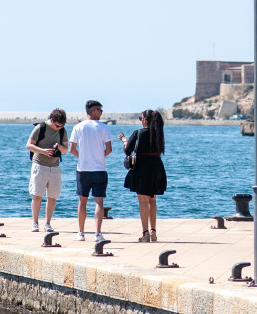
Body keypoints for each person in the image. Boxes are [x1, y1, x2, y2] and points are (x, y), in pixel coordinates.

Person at [119, 109, 167, 242]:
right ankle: (153, 232)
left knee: (143, 201)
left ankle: (145, 233)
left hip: (142, 168)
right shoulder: (159, 133)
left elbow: (128, 151)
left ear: (145, 120)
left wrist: (124, 141)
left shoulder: (138, 133)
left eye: (141, 119)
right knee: (152, 200)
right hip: (157, 167)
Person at [68, 100, 112, 243]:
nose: (101, 113)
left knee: (82, 201)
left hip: (83, 170)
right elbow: (109, 149)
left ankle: (81, 233)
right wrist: (98, 156)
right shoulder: (104, 128)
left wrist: (84, 157)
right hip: (100, 169)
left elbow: (72, 149)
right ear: (94, 111)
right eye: (100, 110)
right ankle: (98, 234)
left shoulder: (78, 127)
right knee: (99, 201)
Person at [26, 108, 68, 233]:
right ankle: (35, 222)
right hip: (39, 165)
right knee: (37, 196)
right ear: (51, 120)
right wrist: (43, 151)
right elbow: (28, 145)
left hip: (55, 167)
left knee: (52, 197)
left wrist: (59, 147)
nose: (59, 128)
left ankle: (48, 223)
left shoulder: (62, 131)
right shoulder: (40, 128)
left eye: (61, 126)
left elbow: (66, 150)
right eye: (57, 125)